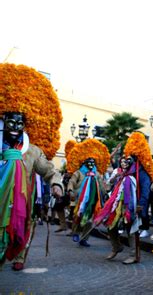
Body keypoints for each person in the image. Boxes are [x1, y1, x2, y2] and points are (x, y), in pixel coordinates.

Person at [0, 63, 64, 271]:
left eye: (20, 124)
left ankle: (19, 255)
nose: (16, 128)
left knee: (21, 228)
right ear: (3, 121)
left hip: (23, 201)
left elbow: (49, 170)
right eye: (11, 122)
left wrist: (56, 185)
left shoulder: (33, 150)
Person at [94, 132, 152, 264]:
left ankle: (134, 255)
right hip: (118, 205)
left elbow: (145, 190)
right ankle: (117, 247)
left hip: (132, 206)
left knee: (132, 230)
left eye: (132, 157)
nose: (128, 160)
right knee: (111, 224)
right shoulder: (123, 172)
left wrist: (140, 205)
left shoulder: (142, 173)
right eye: (127, 157)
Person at [66, 139, 109, 247]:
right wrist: (70, 191)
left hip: (92, 201)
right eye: (88, 163)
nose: (91, 164)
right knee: (78, 217)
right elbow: (71, 182)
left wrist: (106, 194)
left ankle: (84, 238)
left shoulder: (97, 174)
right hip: (79, 200)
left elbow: (101, 185)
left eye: (92, 163)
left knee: (89, 221)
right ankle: (75, 232)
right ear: (84, 163)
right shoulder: (79, 173)